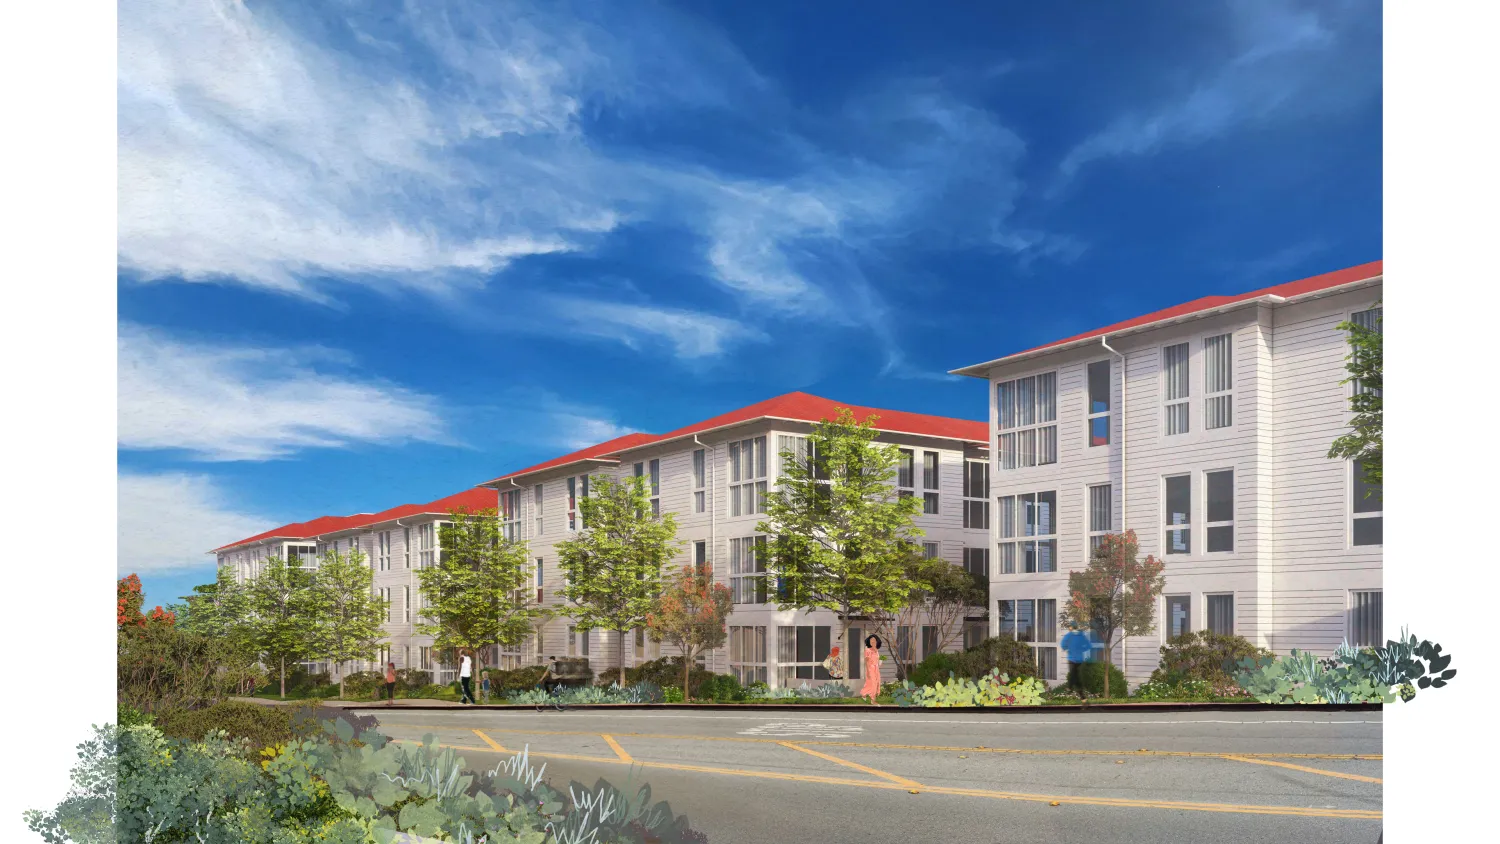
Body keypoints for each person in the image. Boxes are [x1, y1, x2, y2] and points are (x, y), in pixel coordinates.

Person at [860, 635, 883, 705]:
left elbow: (878, 660)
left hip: (876, 668)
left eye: (874, 640)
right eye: (871, 641)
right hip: (870, 668)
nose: (873, 642)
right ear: (869, 642)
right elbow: (867, 661)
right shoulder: (867, 650)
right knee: (873, 684)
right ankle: (873, 700)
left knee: (877, 683)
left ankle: (863, 693)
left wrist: (880, 662)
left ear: (877, 641)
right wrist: (868, 672)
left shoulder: (876, 650)